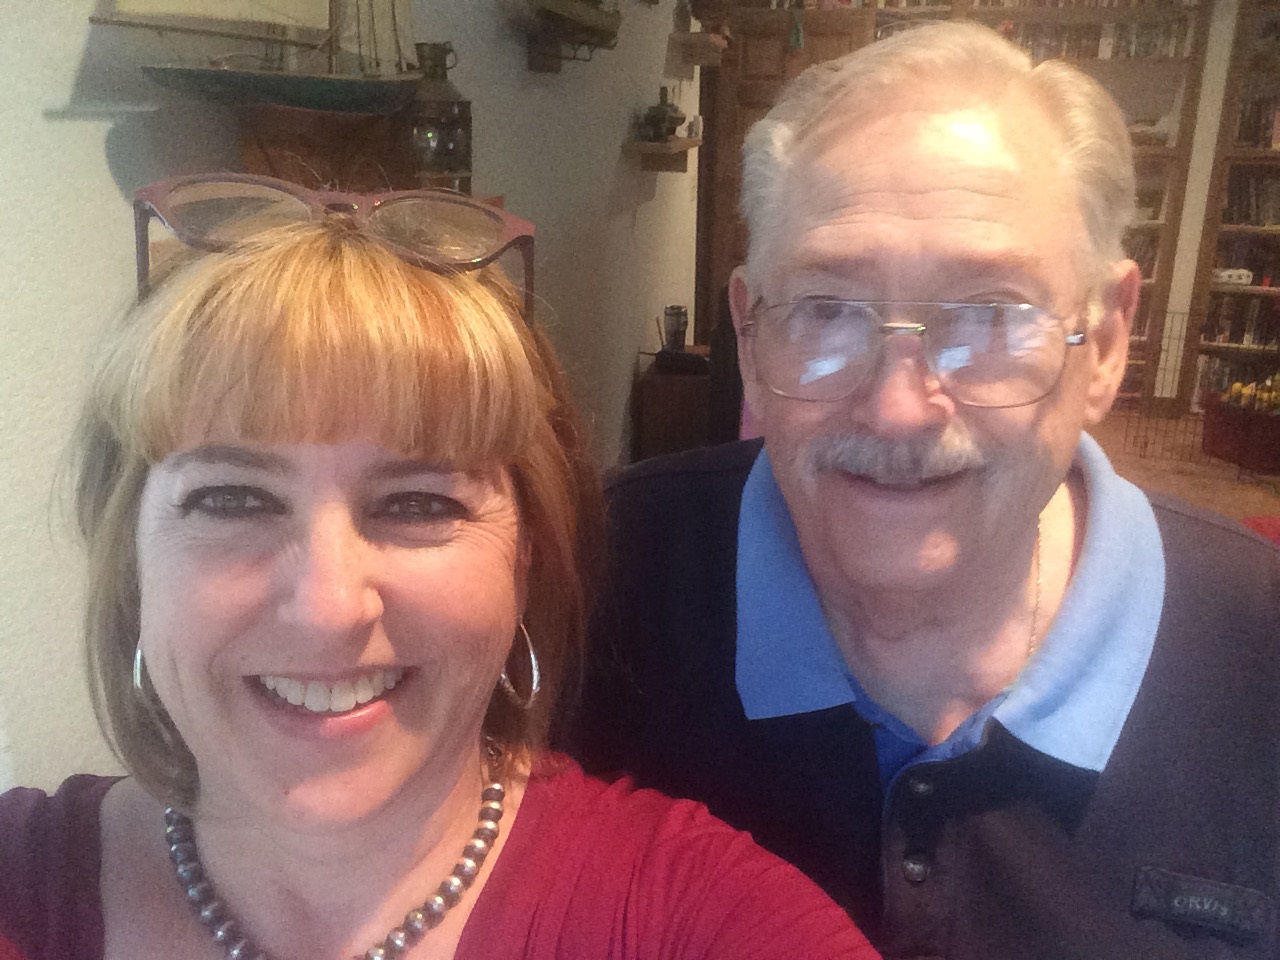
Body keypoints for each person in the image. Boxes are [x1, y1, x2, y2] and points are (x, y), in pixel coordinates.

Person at [0, 175, 880, 960]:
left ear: (525, 559)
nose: (327, 607)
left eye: (418, 503)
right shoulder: (23, 890)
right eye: (232, 499)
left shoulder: (698, 920)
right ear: (131, 556)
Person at [567, 21, 1280, 959]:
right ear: (749, 335)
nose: (899, 408)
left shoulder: (1259, 651)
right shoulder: (585, 582)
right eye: (827, 308)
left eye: (990, 314)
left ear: (1105, 342)